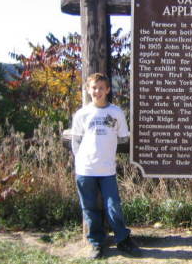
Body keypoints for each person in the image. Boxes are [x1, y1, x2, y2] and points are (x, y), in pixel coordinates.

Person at [71, 73, 141, 259]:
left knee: (113, 206)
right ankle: (96, 244)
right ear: (88, 89)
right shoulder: (82, 114)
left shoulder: (116, 112)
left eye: (101, 88)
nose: (97, 91)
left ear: (108, 90)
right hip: (85, 170)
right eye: (94, 88)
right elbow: (76, 141)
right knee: (89, 208)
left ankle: (123, 240)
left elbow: (123, 137)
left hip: (107, 169)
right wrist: (83, 159)